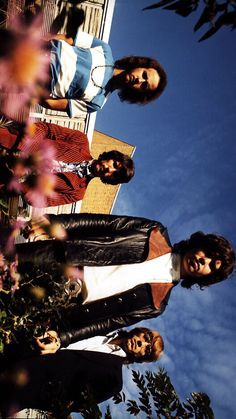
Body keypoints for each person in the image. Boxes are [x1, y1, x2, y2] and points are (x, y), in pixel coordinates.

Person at [16, 213, 235, 347]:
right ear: (199, 245)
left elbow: (105, 324)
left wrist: (62, 338)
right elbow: (103, 223)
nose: (203, 261)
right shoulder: (154, 232)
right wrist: (55, 223)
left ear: (208, 278)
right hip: (59, 258)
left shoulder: (156, 304)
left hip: (61, 303)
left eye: (211, 266)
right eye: (206, 253)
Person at [0, 327, 163, 416]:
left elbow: (73, 404)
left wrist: (34, 393)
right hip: (18, 349)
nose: (141, 344)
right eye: (147, 338)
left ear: (141, 358)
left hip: (21, 387)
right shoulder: (105, 326)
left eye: (147, 350)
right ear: (142, 331)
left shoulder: (114, 380)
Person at [0, 122, 134, 206]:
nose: (109, 169)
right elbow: (44, 128)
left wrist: (22, 183)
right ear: (111, 156)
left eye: (114, 174)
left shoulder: (77, 193)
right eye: (115, 164)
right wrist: (22, 148)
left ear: (109, 179)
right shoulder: (80, 140)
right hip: (10, 143)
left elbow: (41, 201)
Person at [41, 32, 167, 118]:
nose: (139, 80)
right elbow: (64, 38)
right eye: (144, 74)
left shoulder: (97, 103)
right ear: (140, 65)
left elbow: (51, 104)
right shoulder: (104, 48)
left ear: (139, 93)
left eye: (144, 86)